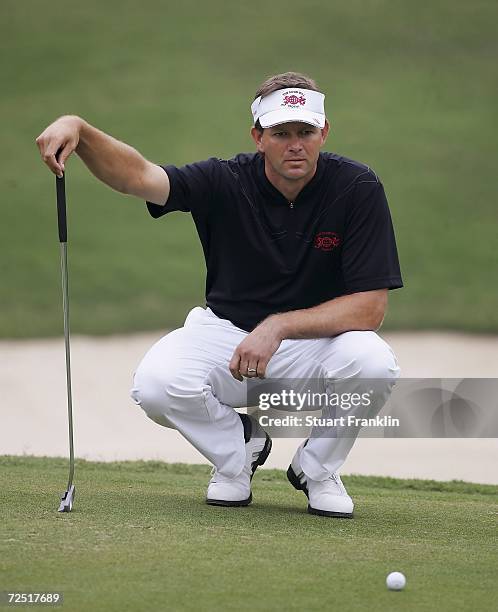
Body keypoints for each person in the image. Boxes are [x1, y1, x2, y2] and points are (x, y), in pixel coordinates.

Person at [36, 72, 402, 518]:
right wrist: (82, 129)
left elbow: (370, 307)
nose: (295, 144)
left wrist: (280, 325)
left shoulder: (357, 188)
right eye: (281, 133)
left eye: (306, 132)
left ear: (323, 132)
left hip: (314, 347)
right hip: (226, 334)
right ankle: (238, 451)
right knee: (156, 384)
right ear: (258, 136)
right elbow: (137, 177)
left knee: (373, 362)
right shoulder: (224, 180)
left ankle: (318, 469)